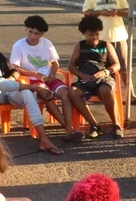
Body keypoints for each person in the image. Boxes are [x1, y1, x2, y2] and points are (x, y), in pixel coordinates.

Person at [0, 18, 63, 155]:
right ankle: (33, 87)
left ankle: (43, 140)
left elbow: (14, 70)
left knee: (27, 94)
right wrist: (7, 83)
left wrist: (10, 79)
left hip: (10, 90)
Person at [10, 15, 83, 143]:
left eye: (36, 33)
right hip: (32, 79)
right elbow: (15, 67)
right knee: (47, 95)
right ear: (26, 30)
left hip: (49, 77)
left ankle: (69, 127)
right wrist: (34, 73)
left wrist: (53, 74)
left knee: (65, 93)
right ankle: (69, 129)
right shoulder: (18, 45)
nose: (32, 36)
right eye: (30, 32)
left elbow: (55, 63)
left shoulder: (47, 43)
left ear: (42, 34)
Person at [67, 15, 123, 140]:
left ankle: (116, 124)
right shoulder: (80, 46)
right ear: (84, 33)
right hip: (86, 79)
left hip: (104, 78)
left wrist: (106, 72)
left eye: (97, 34)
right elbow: (71, 65)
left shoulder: (106, 45)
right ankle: (94, 125)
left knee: (105, 90)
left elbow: (117, 64)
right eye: (91, 35)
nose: (95, 37)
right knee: (73, 92)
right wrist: (82, 75)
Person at [82, 0, 130, 102]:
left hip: (118, 34)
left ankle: (129, 94)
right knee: (102, 68)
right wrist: (99, 12)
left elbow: (127, 10)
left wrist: (117, 11)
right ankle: (106, 94)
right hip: (100, 37)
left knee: (124, 67)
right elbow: (86, 12)